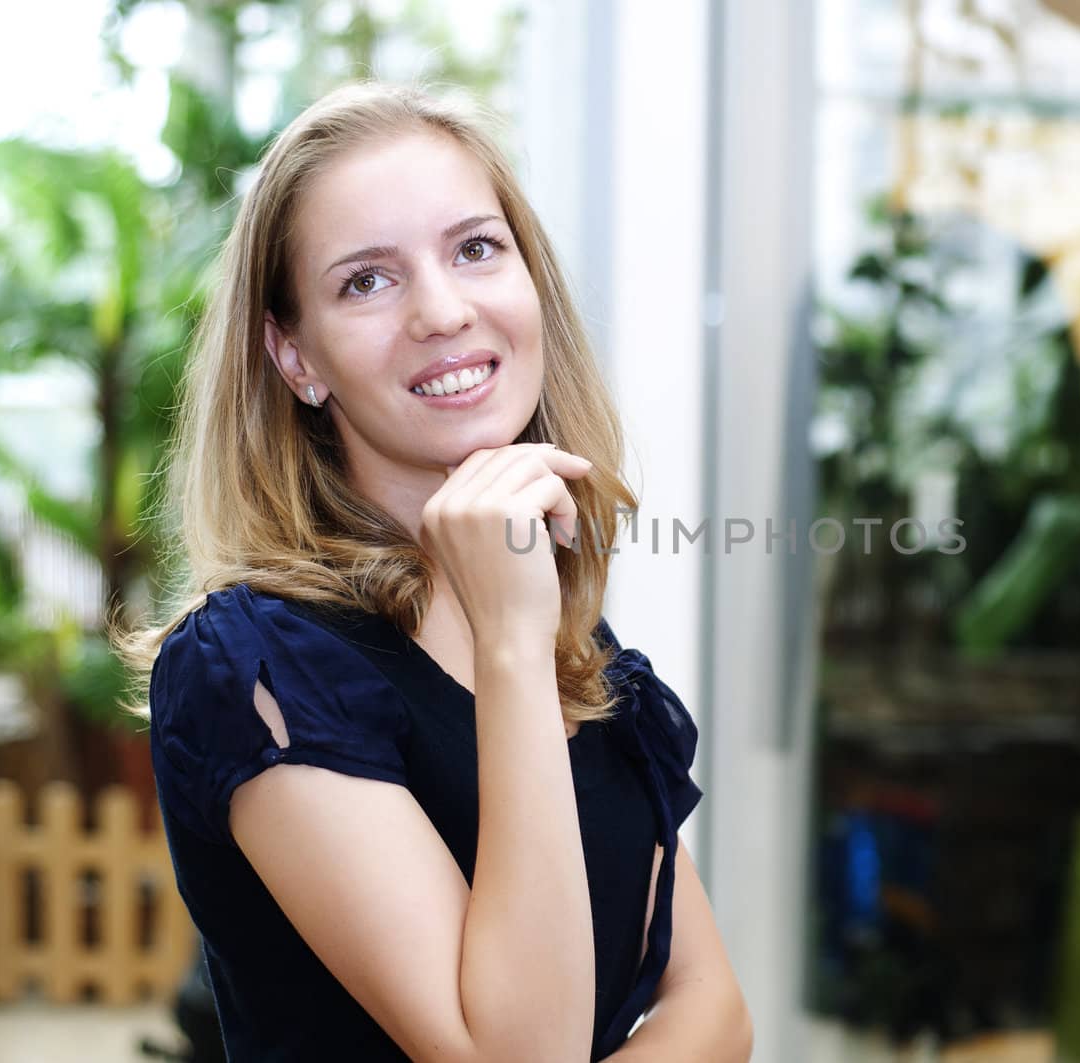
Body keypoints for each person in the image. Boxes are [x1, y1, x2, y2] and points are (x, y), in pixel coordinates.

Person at [118, 79, 753, 1062]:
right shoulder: (251, 664)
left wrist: (518, 624)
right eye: (366, 280)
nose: (444, 309)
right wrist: (508, 641)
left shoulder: (560, 627)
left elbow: (713, 1007)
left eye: (474, 248)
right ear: (296, 359)